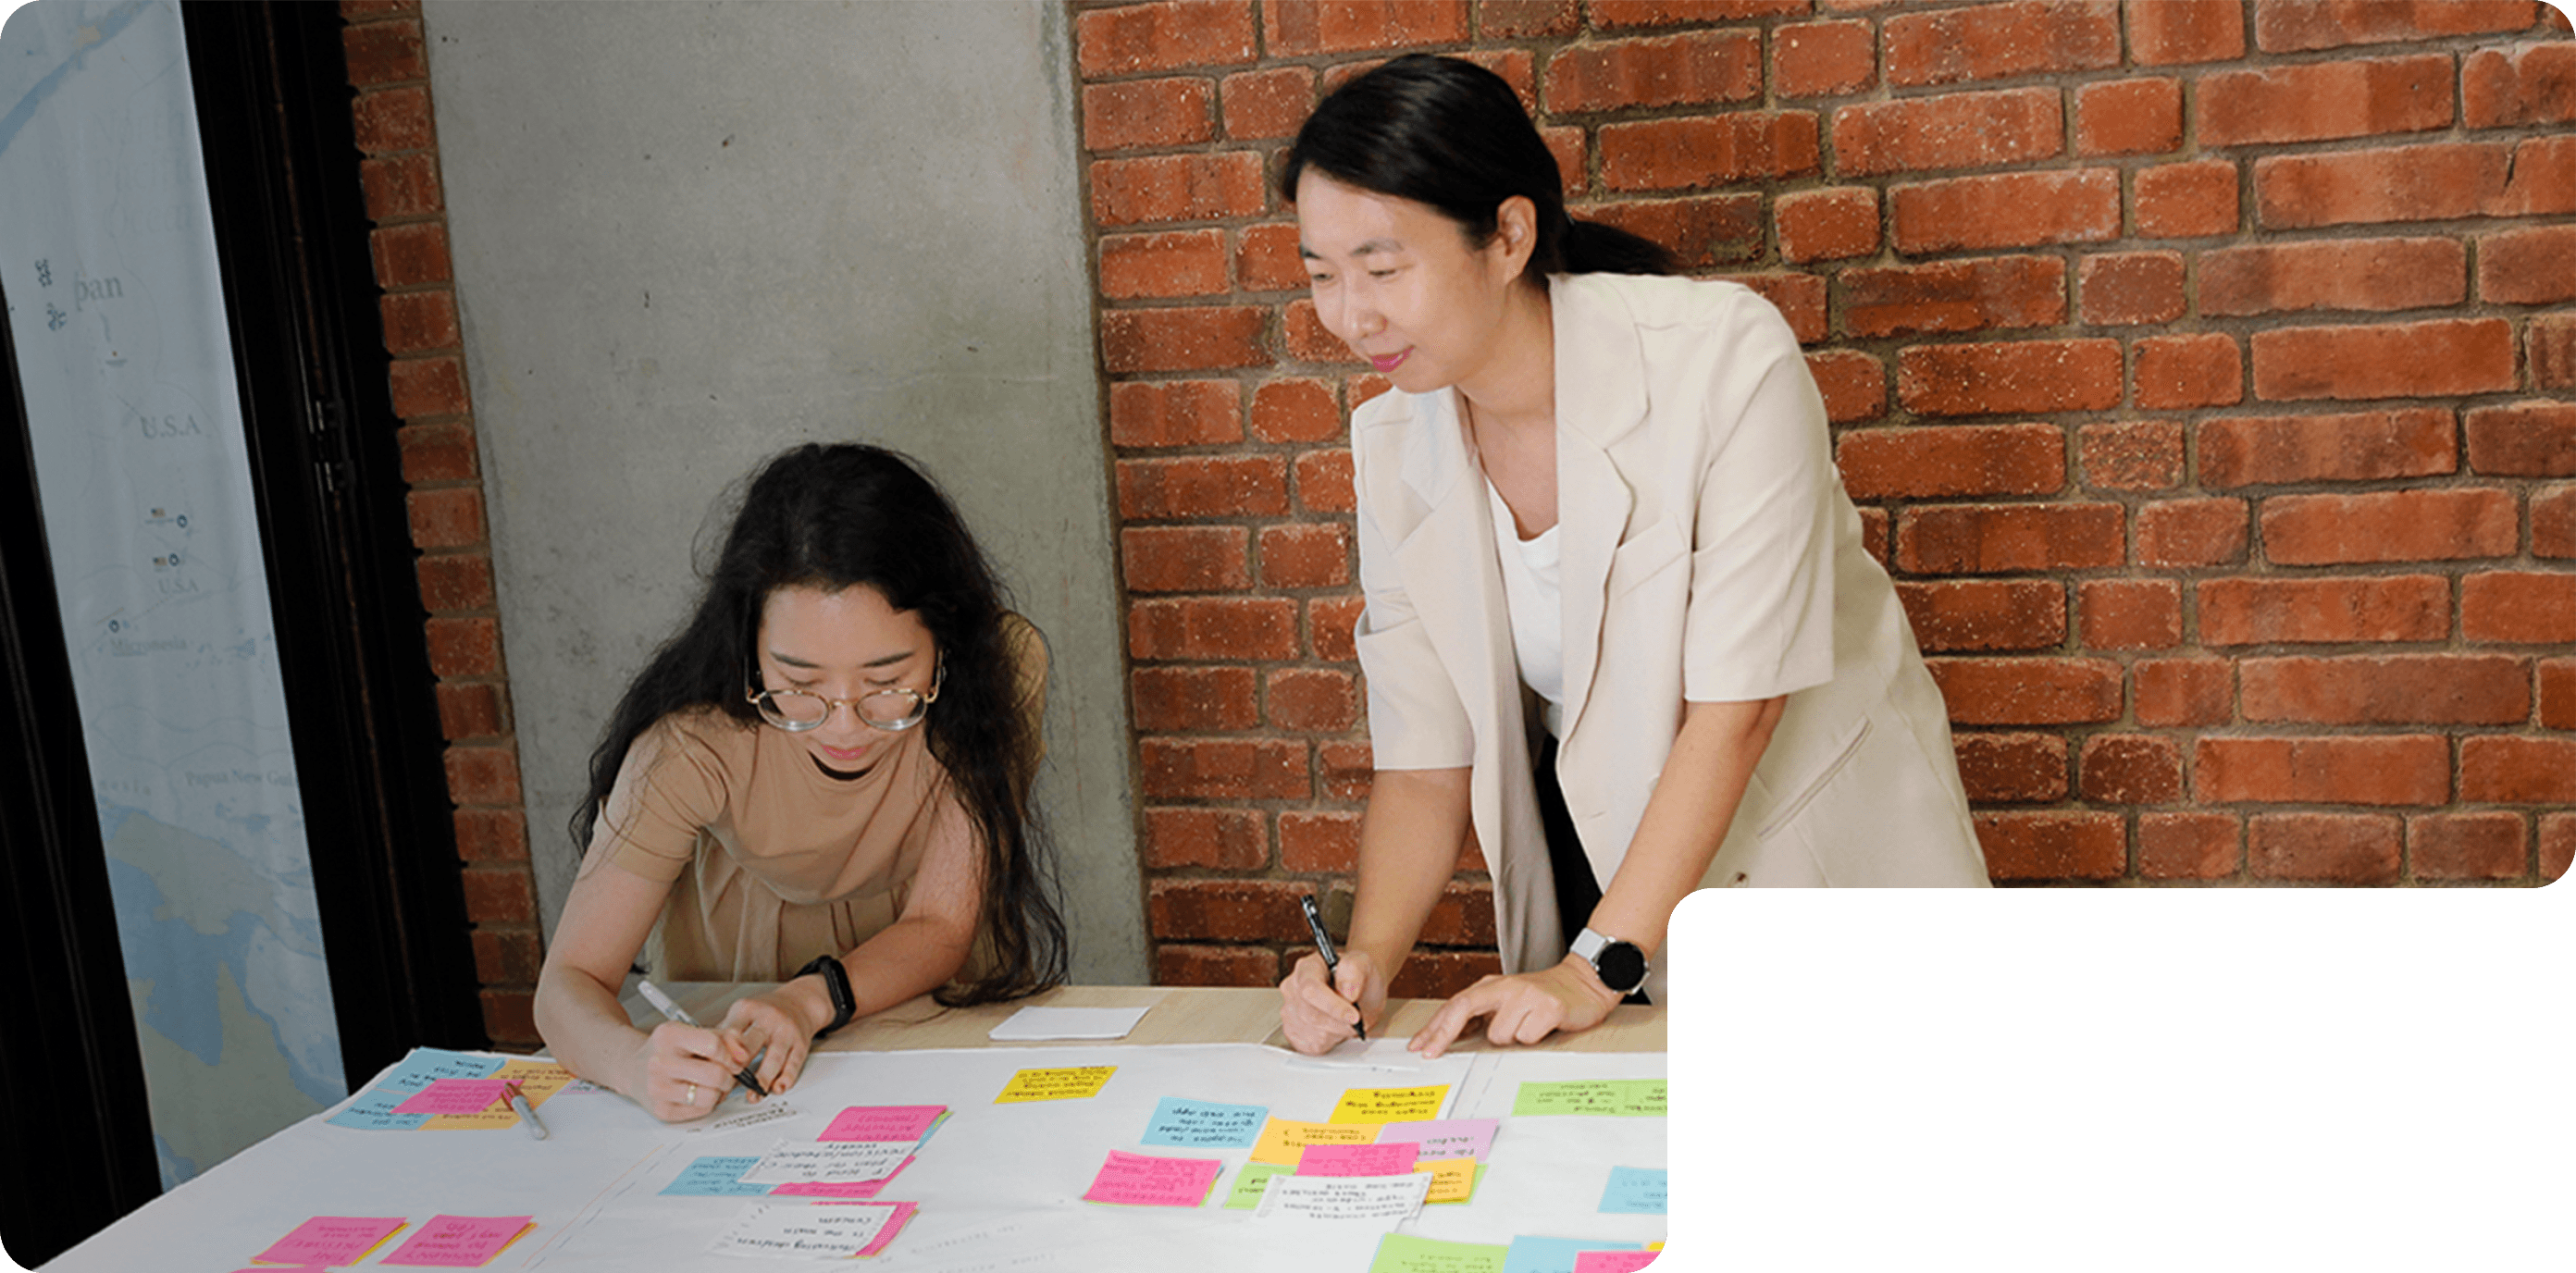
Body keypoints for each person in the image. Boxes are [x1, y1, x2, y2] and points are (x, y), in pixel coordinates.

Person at [1275, 56, 1990, 1059]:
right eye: (1321, 274)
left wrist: (1594, 962)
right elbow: (1427, 761)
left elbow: (1737, 710)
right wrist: (1365, 965)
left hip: (1819, 861)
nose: (1351, 315)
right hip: (1620, 881)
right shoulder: (1395, 443)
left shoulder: (1725, 359)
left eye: (1383, 269)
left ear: (1509, 235)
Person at [535, 442, 1066, 1120]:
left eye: (885, 683)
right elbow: (567, 984)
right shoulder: (690, 741)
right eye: (798, 684)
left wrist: (811, 998)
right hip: (736, 999)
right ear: (749, 650)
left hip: (921, 993)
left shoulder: (999, 670)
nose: (844, 726)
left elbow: (939, 923)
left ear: (946, 643)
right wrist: (631, 1064)